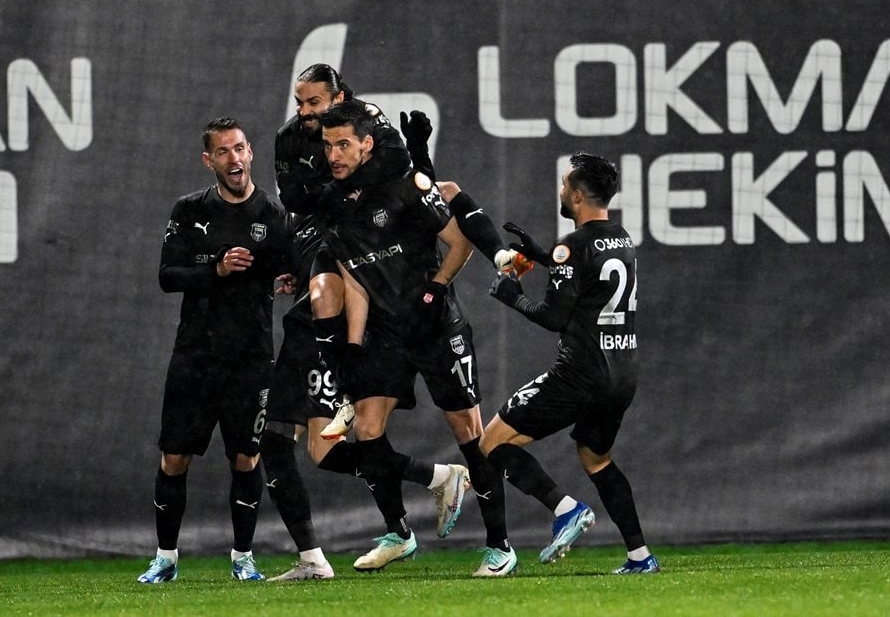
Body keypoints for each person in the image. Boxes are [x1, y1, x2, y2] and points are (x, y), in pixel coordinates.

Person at [262, 66, 472, 580]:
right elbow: (295, 201)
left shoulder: (370, 149)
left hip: (349, 296)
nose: (304, 113)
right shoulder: (295, 149)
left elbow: (406, 175)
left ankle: (399, 528)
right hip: (313, 293)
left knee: (339, 435)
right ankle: (432, 482)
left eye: (313, 103)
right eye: (300, 103)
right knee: (314, 447)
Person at [316, 99, 515, 577]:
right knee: (366, 430)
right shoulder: (333, 207)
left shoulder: (405, 185)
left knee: (469, 433)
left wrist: (436, 289)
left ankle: (500, 546)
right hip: (387, 333)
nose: (334, 154)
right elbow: (356, 281)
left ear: (366, 145)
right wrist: (353, 346)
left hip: (437, 326)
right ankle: (398, 533)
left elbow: (460, 242)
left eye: (343, 144)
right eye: (328, 145)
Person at [482, 152, 660, 574]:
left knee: (491, 445)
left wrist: (513, 297)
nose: (561, 191)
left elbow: (553, 318)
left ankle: (566, 509)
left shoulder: (573, 244)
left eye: (565, 184)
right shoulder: (621, 238)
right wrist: (545, 258)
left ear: (578, 195)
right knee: (597, 461)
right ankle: (640, 556)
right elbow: (592, 279)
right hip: (621, 374)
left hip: (580, 373)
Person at [137, 118, 292, 583]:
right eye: (223, 151)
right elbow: (168, 276)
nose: (234, 158)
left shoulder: (274, 213)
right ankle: (165, 558)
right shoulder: (189, 210)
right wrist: (217, 271)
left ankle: (243, 558)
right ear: (209, 161)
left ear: (251, 153)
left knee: (246, 458)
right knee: (174, 458)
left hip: (250, 357)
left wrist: (290, 279)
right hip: (196, 356)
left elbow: (292, 269)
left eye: (239, 148)